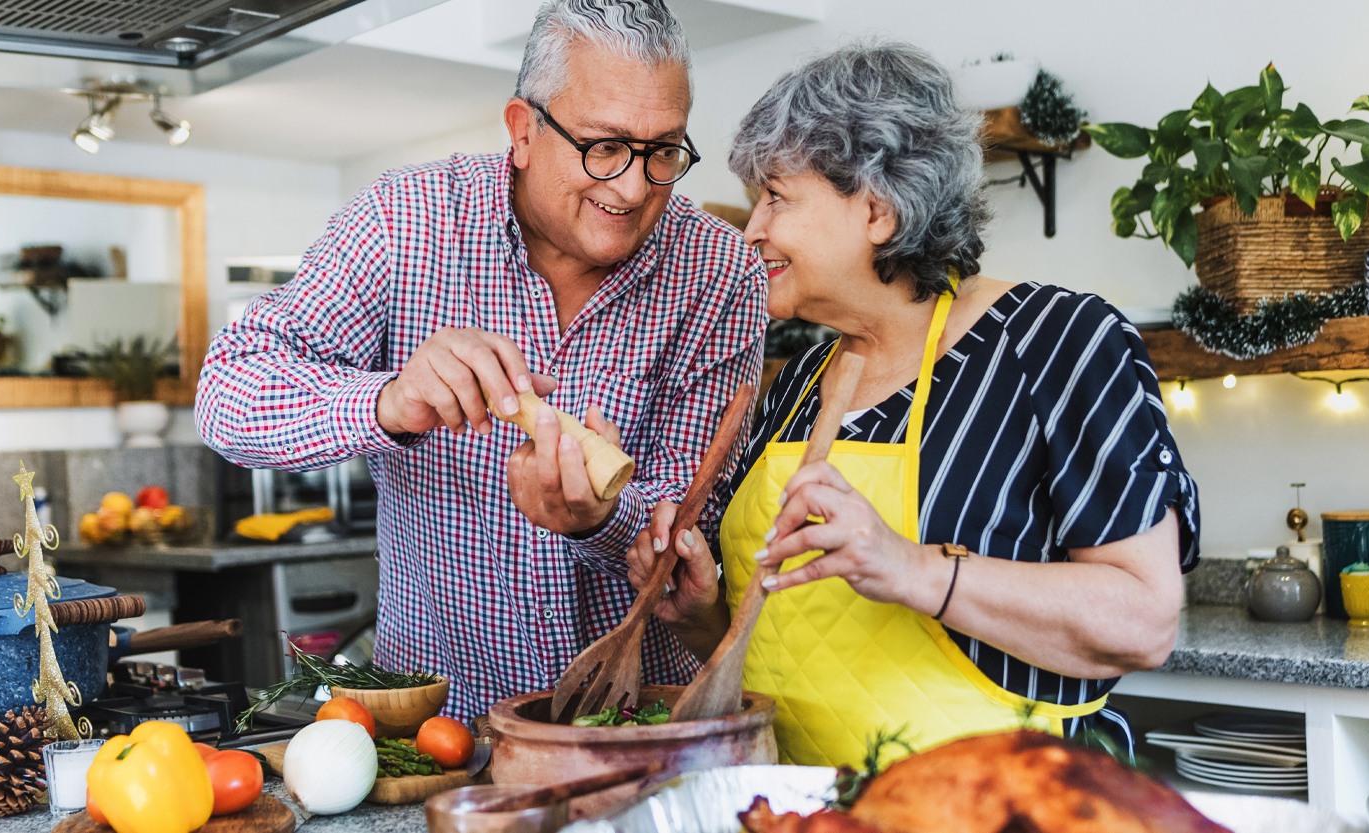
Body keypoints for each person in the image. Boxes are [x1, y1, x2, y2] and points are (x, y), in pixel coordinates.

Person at [627, 41, 1200, 767]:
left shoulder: (1059, 343)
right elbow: (786, 647)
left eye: (776, 196)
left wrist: (915, 569)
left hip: (1001, 804)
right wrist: (704, 611)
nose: (754, 231)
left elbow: (1144, 619)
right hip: (802, 810)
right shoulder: (803, 380)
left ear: (877, 207)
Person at [196, 0, 766, 720]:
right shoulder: (405, 221)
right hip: (438, 731)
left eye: (664, 152)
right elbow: (227, 391)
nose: (631, 186)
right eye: (605, 146)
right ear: (523, 131)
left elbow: (694, 524)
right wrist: (389, 401)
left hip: (642, 719)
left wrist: (600, 522)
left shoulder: (718, 273)